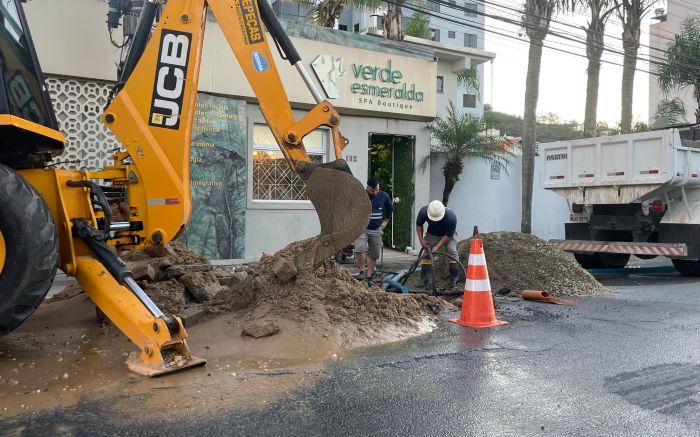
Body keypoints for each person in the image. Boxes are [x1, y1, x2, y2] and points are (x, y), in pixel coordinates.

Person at [355, 178, 393, 284]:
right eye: (373, 191)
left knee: (374, 254)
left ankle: (369, 275)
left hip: (376, 229)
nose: (375, 192)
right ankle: (362, 271)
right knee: (359, 249)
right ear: (367, 188)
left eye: (377, 190)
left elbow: (390, 208)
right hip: (362, 228)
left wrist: (386, 221)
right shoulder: (361, 195)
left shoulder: (383, 195)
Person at [415, 200, 460, 287]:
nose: (435, 221)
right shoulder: (424, 211)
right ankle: (424, 280)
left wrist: (437, 246)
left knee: (451, 251)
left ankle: (454, 279)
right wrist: (421, 240)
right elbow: (419, 225)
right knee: (427, 253)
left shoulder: (451, 216)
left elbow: (448, 235)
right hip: (433, 234)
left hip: (448, 235)